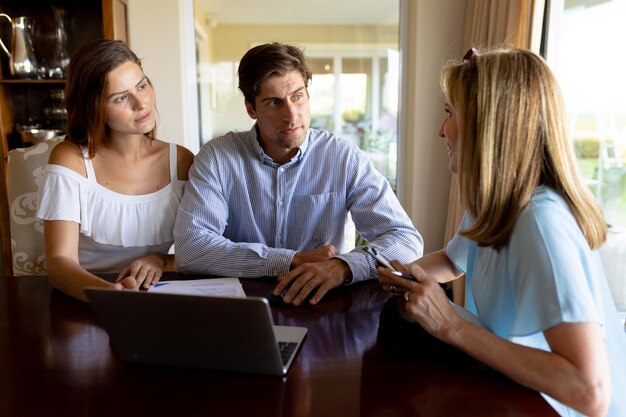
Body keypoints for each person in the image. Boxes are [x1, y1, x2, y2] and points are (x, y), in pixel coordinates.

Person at [378, 47, 626, 417]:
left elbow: (588, 391)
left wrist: (449, 324)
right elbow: (452, 260)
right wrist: (399, 279)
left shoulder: (541, 224)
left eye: (450, 113)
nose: (441, 130)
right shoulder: (494, 204)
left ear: (486, 125)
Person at [174, 42, 422, 306]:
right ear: (251, 109)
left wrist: (343, 266)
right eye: (274, 102)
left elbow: (406, 241)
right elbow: (191, 248)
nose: (291, 115)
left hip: (324, 306)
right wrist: (290, 260)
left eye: (297, 96)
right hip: (244, 309)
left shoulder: (343, 157)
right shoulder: (217, 158)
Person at [36, 39, 194, 302]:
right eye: (121, 98)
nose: (141, 103)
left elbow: (210, 249)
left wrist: (161, 260)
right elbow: (59, 263)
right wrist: (111, 295)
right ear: (93, 108)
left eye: (142, 86)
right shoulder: (70, 159)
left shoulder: (181, 161)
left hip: (154, 298)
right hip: (84, 299)